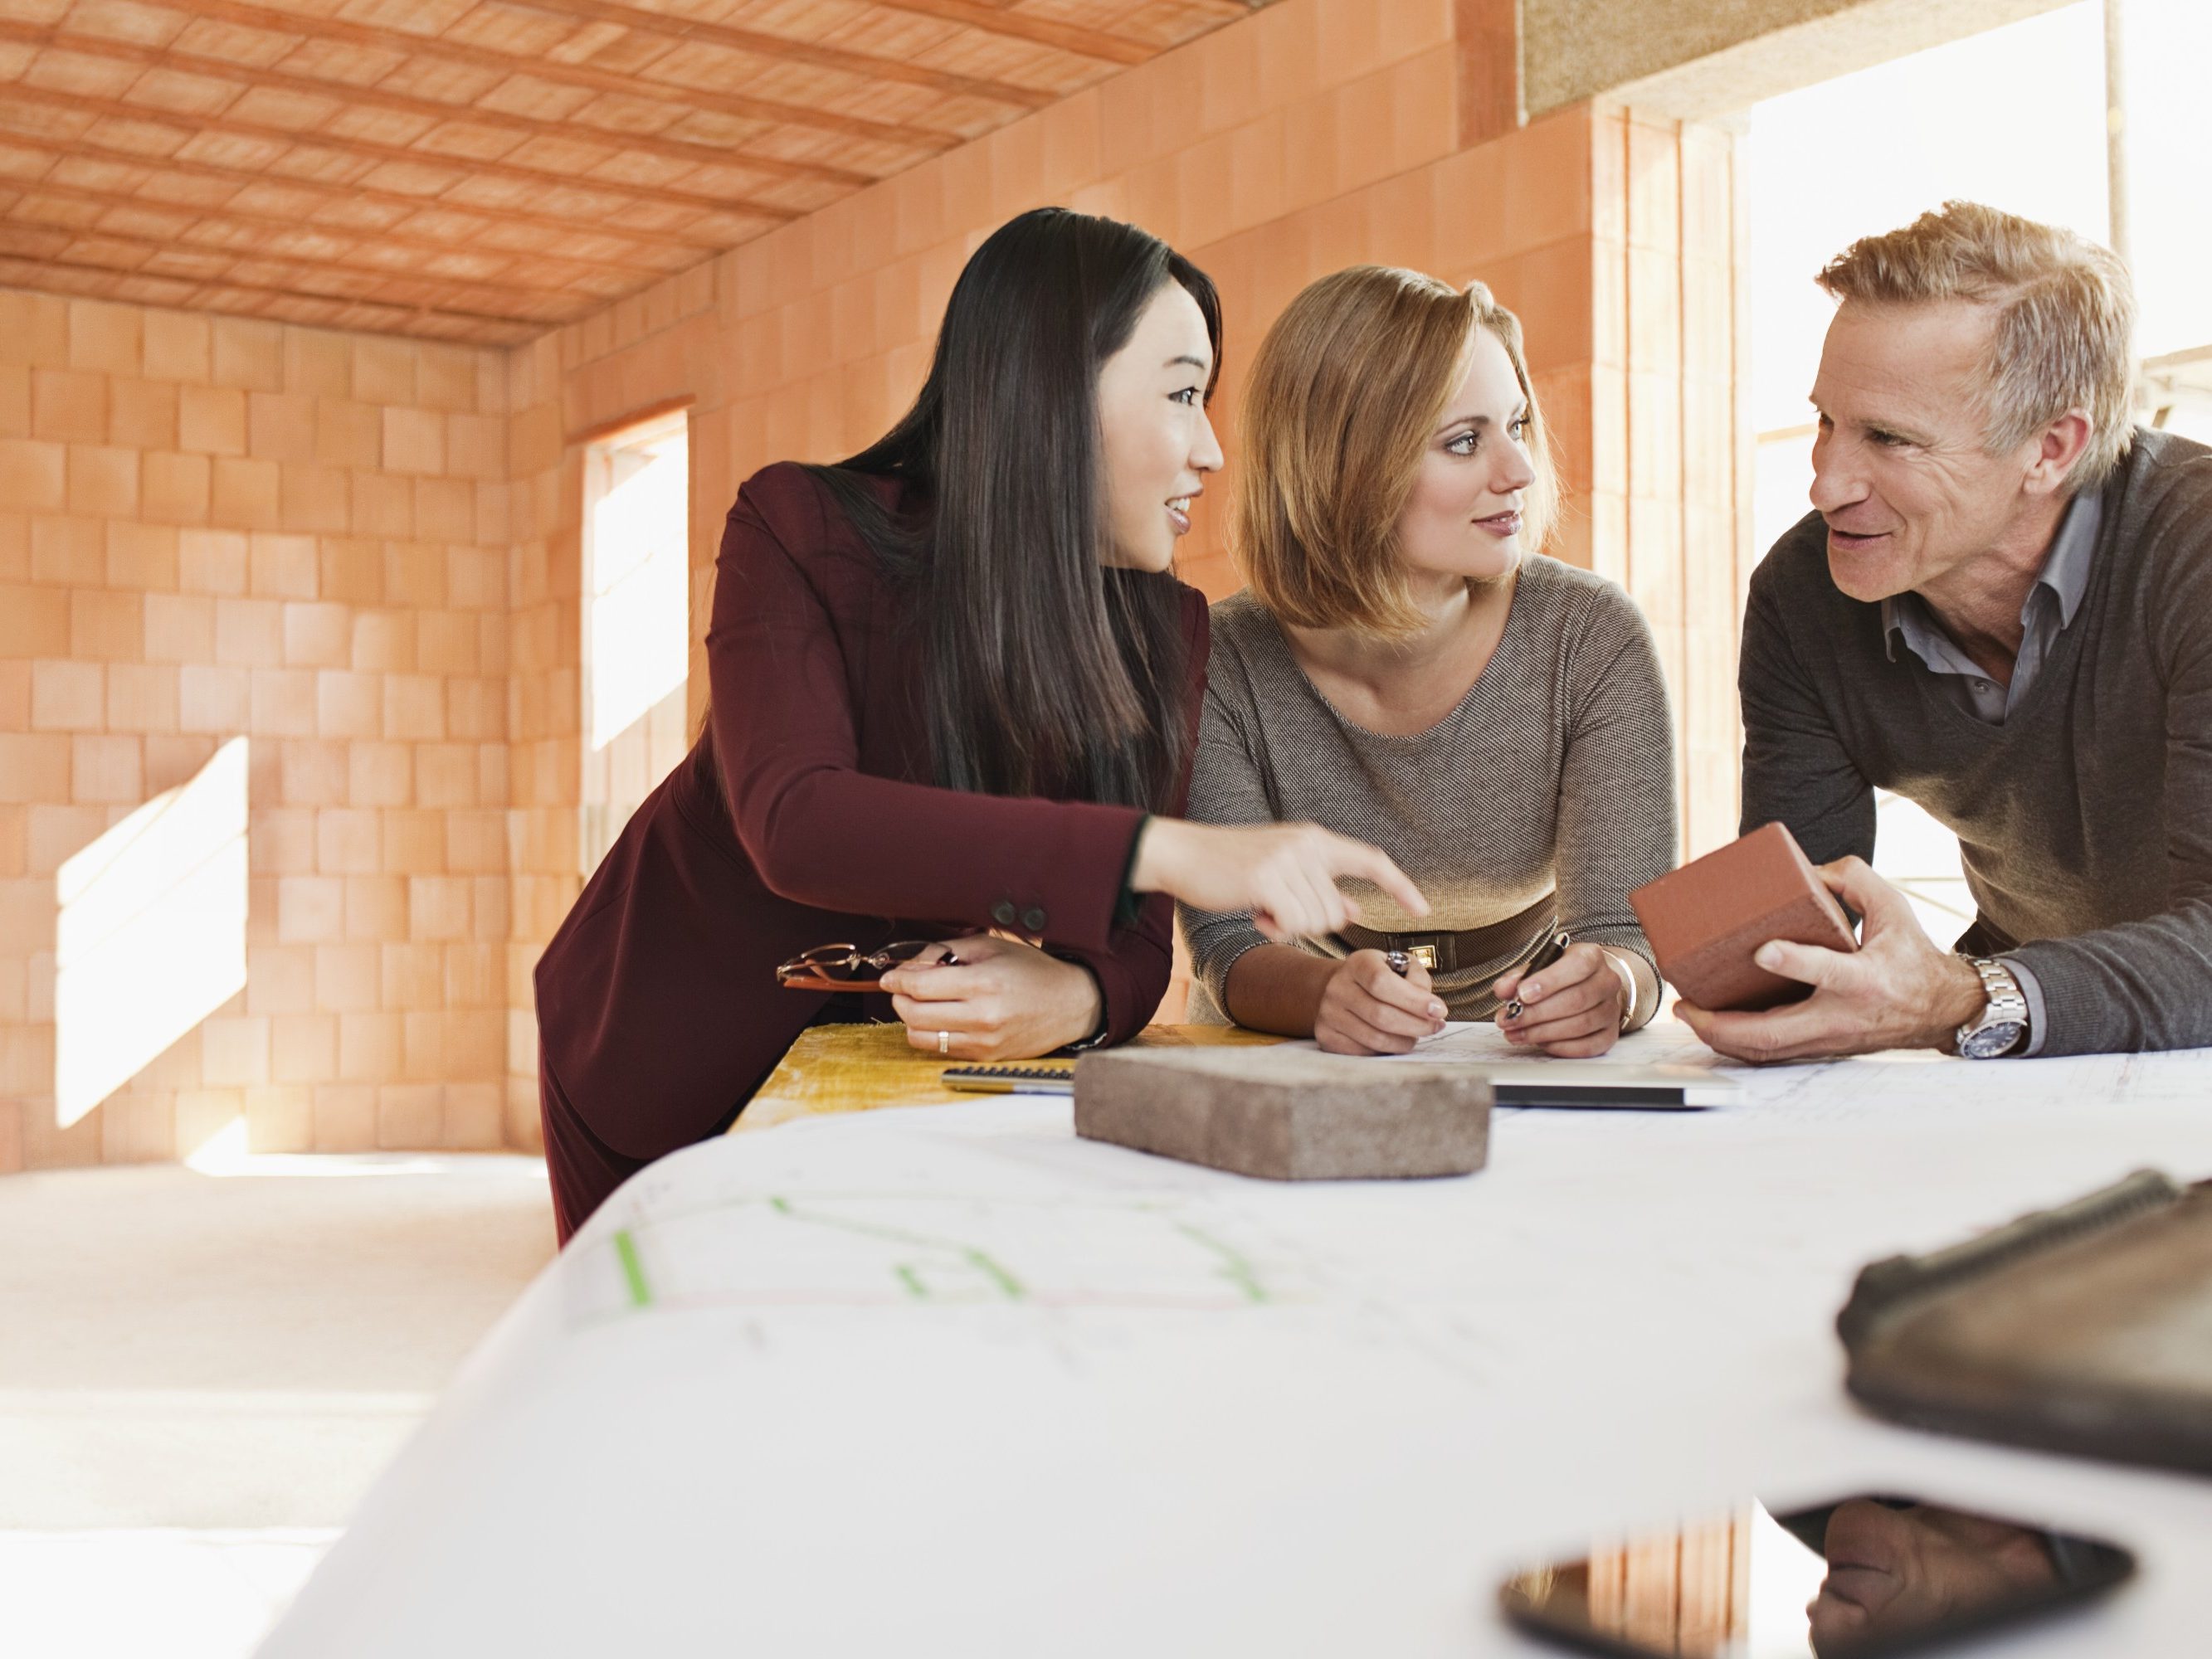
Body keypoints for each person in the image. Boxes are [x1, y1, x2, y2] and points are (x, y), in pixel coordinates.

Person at [534, 210, 1425, 1243]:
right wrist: (1168, 850)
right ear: (1052, 394)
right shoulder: (796, 528)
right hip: (655, 1055)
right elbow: (796, 819)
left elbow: (1134, 952)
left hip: (882, 1092)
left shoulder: (1160, 626)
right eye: (1182, 393)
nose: (1212, 450)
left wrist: (1079, 996)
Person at [1680, 202, 2212, 1064]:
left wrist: (1964, 996)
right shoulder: (1802, 593)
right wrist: (1652, 970)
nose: (1825, 485)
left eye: (1888, 438)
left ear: (2050, 448)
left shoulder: (2194, 549)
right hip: (2033, 1018)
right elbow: (1799, 925)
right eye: (1825, 420)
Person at [1178, 266, 1676, 1057]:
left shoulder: (1590, 635)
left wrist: (1612, 986)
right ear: (1345, 465)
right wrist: (1326, 998)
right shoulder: (1221, 658)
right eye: (1465, 441)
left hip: (1532, 1051)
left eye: (1517, 426)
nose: (1518, 471)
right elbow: (1226, 946)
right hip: (1290, 1040)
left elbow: (1627, 940)